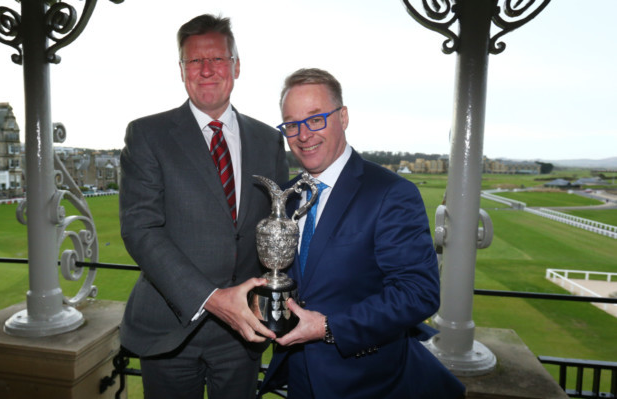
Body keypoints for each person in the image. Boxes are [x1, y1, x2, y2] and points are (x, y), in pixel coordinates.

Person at [258, 68, 465, 398]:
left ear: (343, 117)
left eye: (315, 119)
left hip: (366, 381)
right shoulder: (287, 195)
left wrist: (328, 328)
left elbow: (418, 292)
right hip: (299, 377)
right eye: (292, 124)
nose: (303, 134)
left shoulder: (390, 192)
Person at [118, 14, 288, 399]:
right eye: (195, 61)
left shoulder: (268, 141)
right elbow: (141, 229)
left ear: (236, 67)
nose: (207, 70)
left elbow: (279, 228)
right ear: (181, 70)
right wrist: (211, 299)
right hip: (170, 330)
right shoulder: (147, 135)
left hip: (243, 334)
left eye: (218, 59)